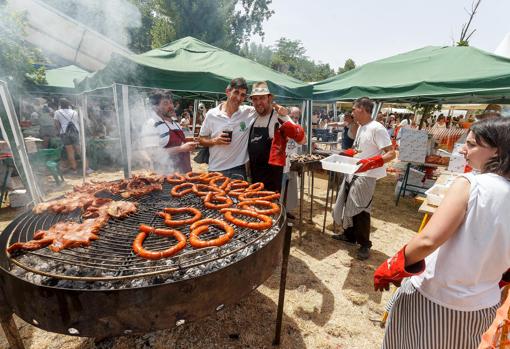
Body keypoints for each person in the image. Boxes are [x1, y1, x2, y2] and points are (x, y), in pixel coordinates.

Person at [374, 117, 510, 349]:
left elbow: (429, 239)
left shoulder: (470, 183)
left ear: (497, 151)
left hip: (436, 297)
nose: (464, 150)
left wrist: (392, 266)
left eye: (473, 144)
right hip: (482, 305)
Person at [331, 97, 396, 260]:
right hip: (354, 171)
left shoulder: (377, 128)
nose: (352, 112)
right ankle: (349, 235)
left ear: (363, 109)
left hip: (367, 175)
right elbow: (358, 149)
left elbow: (391, 153)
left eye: (354, 109)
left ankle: (365, 244)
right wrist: (346, 154)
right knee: (348, 203)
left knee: (361, 209)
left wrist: (372, 162)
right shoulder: (362, 127)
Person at [248, 82, 306, 192]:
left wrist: (285, 118)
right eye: (255, 99)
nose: (258, 102)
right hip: (255, 175)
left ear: (269, 98)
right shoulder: (253, 117)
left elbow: (302, 140)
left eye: (262, 98)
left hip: (274, 177)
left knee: (274, 207)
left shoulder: (280, 117)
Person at [199, 78, 254, 179]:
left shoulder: (248, 112)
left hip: (238, 169)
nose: (238, 98)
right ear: (228, 92)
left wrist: (283, 113)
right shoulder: (212, 114)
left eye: (242, 95)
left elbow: (265, 107)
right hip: (216, 169)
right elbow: (201, 139)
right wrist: (215, 140)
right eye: (236, 92)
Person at [141, 90, 196, 174]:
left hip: (185, 172)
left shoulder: (175, 122)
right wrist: (181, 148)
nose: (171, 106)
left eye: (171, 103)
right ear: (155, 107)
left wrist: (187, 146)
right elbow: (153, 154)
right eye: (166, 103)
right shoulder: (151, 125)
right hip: (165, 175)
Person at [54, 98, 81, 173]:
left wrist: (58, 132)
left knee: (70, 152)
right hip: (75, 132)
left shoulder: (57, 112)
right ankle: (87, 168)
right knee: (79, 150)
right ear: (69, 104)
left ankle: (74, 169)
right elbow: (78, 122)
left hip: (64, 133)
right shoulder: (74, 112)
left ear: (60, 105)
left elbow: (56, 124)